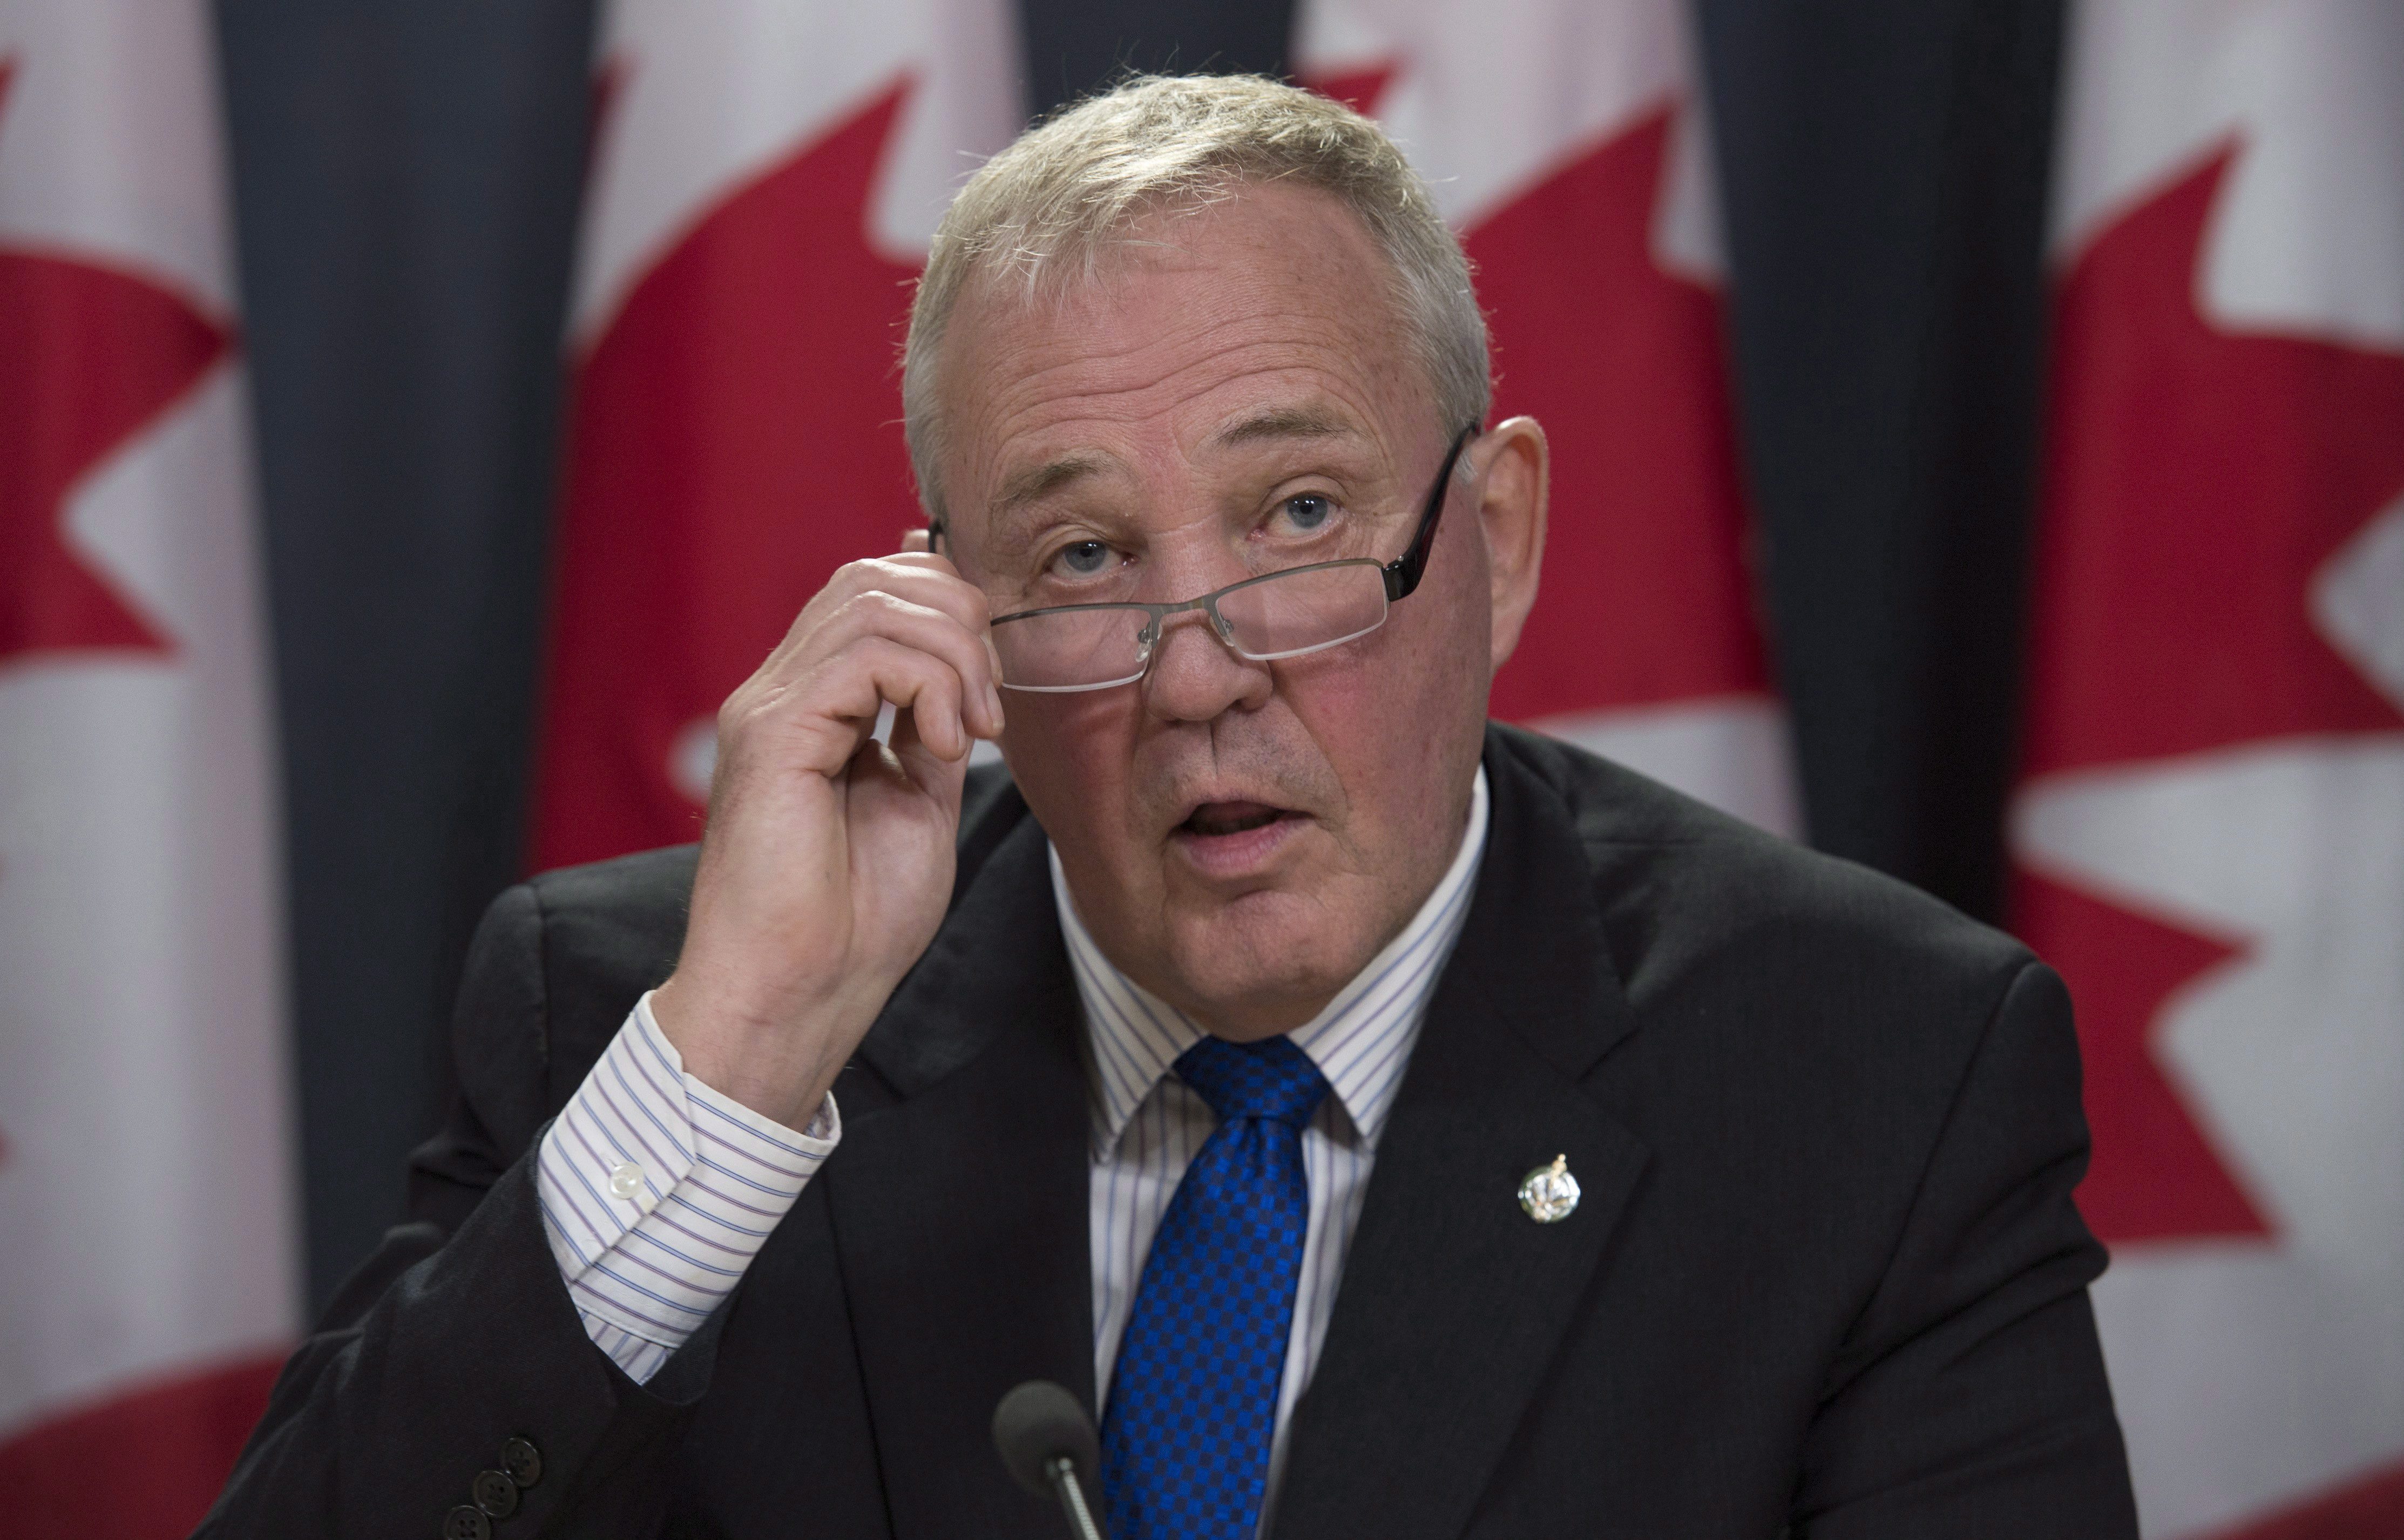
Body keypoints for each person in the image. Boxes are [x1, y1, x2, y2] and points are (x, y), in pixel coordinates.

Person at [202, 74, 2135, 1539]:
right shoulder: (654, 1018)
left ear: (1497, 540)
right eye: (1082, 556)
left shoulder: (1872, 1077)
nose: (1197, 676)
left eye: (1298, 517)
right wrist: (742, 1065)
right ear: (952, 623)